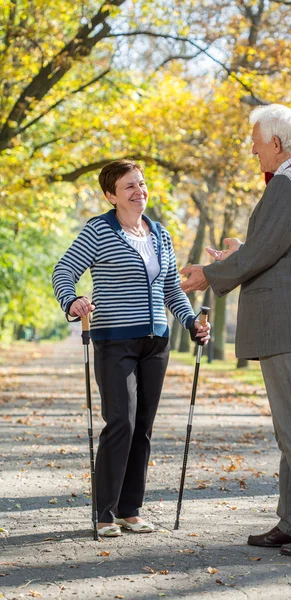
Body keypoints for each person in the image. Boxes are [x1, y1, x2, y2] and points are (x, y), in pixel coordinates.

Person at [180, 104, 291, 557]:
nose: (253, 150)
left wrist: (208, 274)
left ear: (276, 143)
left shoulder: (289, 183)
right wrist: (242, 249)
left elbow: (262, 256)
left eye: (257, 143)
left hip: (288, 326)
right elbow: (272, 248)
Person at [53, 159, 210, 537]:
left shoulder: (161, 234)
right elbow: (64, 270)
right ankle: (104, 513)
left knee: (143, 426)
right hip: (113, 339)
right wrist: (72, 301)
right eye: (129, 186)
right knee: (120, 421)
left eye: (141, 184)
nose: (139, 191)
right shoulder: (98, 231)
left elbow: (172, 288)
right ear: (111, 195)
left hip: (156, 341)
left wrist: (191, 322)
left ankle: (130, 509)